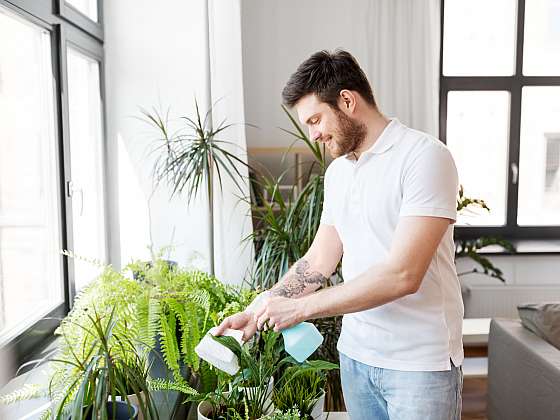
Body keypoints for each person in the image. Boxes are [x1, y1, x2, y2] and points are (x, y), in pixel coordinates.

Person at [216, 49, 464, 420]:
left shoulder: (424, 157)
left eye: (316, 119)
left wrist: (299, 309)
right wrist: (259, 309)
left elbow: (403, 275)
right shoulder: (339, 173)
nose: (313, 134)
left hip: (419, 365)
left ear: (347, 100)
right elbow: (318, 262)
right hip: (357, 358)